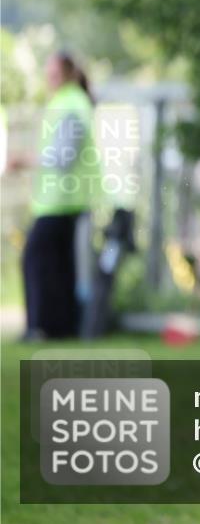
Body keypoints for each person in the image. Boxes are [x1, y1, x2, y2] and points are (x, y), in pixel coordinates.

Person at [19, 51, 101, 340]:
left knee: (36, 261)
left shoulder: (71, 103)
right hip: (62, 200)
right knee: (59, 266)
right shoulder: (68, 102)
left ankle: (41, 327)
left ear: (67, 74)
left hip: (61, 201)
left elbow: (64, 156)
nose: (48, 79)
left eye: (53, 74)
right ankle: (61, 329)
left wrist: (26, 160)